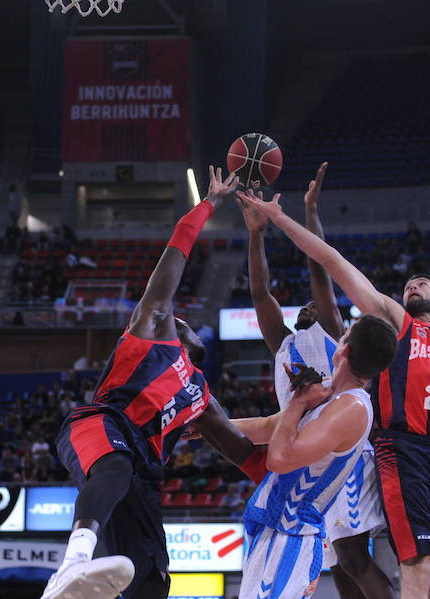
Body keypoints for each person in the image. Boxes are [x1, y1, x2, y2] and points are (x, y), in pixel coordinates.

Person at [239, 189, 430, 599]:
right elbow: (332, 263)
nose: (414, 283)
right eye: (409, 284)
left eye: (423, 281)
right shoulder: (397, 322)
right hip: (397, 449)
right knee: (410, 562)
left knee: (428, 567)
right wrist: (281, 219)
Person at [42, 167, 264, 599]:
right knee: (115, 465)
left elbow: (242, 452)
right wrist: (211, 203)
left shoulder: (201, 396)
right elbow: (177, 250)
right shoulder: (153, 326)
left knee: (153, 579)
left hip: (144, 471)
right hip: (100, 425)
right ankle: (70, 565)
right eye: (183, 319)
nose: (185, 319)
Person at [237, 165, 393, 599]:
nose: (309, 305)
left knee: (352, 557)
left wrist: (309, 212)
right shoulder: (284, 344)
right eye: (303, 306)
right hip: (305, 450)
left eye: (315, 305)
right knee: (338, 564)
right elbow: (260, 294)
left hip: (335, 453)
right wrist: (255, 234)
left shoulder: (332, 331)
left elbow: (320, 266)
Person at [231, 315, 398, 599]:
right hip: (276, 525)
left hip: (293, 532)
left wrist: (298, 401)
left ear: (343, 349)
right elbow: (270, 427)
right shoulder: (331, 392)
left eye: (344, 335)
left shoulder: (351, 408)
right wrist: (206, 425)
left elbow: (279, 458)